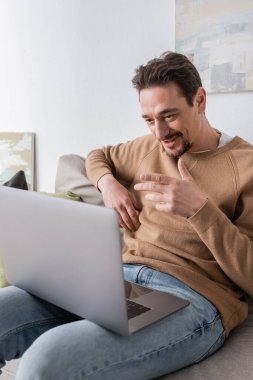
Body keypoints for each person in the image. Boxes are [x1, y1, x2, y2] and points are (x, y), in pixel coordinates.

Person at [0, 52, 253, 380]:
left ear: (200, 100)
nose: (159, 132)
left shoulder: (246, 166)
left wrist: (201, 211)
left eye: (169, 115)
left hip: (193, 297)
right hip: (115, 281)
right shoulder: (147, 147)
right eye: (148, 119)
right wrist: (107, 185)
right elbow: (98, 156)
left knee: (46, 360)